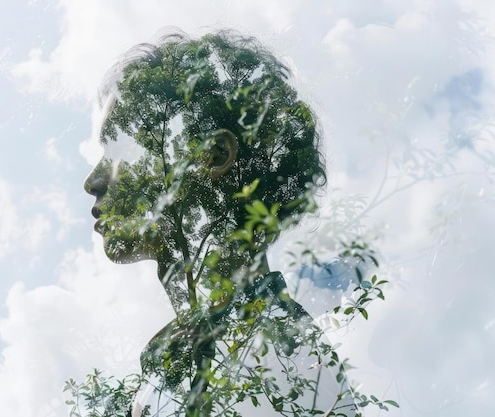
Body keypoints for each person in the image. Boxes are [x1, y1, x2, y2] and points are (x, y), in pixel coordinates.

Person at [84, 30, 356, 417]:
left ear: (211, 155)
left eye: (120, 147)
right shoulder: (184, 363)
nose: (92, 182)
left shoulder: (284, 360)